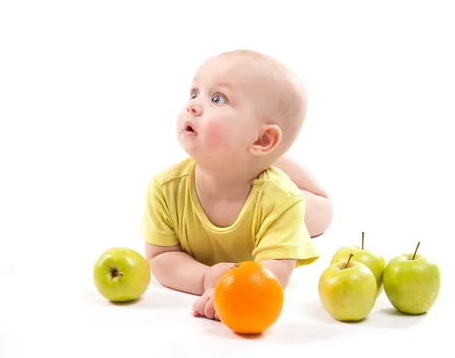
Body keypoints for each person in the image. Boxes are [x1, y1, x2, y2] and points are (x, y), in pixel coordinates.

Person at [139, 49, 333, 320]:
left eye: (218, 99)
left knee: (322, 212)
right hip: (258, 161)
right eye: (194, 93)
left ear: (262, 140)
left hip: (292, 202)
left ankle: (274, 162)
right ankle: (262, 160)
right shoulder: (164, 189)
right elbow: (160, 258)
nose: (192, 105)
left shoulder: (283, 201)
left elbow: (275, 269)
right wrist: (207, 277)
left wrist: (237, 291)